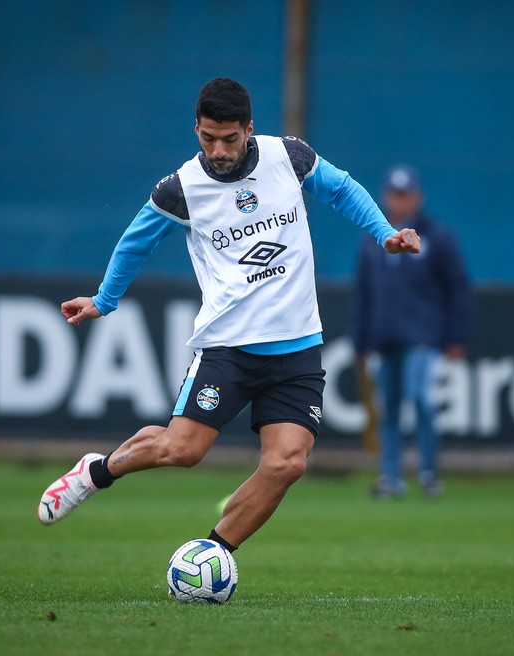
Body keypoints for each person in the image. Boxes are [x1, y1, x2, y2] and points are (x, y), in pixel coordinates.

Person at [37, 78, 421, 555]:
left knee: (288, 463)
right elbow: (136, 242)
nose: (218, 150)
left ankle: (211, 554)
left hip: (297, 347)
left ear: (250, 130)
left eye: (230, 139)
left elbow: (342, 190)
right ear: (196, 129)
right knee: (184, 450)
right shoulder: (180, 188)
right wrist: (104, 300)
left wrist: (384, 234)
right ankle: (97, 471)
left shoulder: (289, 157)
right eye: (207, 138)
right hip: (229, 348)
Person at [351, 165, 471, 498]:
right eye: (394, 194)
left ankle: (428, 471)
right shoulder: (373, 238)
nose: (400, 201)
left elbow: (457, 288)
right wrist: (360, 339)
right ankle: (391, 476)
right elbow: (363, 292)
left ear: (417, 197)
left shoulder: (438, 236)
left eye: (406, 194)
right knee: (388, 408)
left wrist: (456, 337)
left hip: (423, 335)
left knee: (420, 398)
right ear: (386, 197)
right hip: (385, 335)